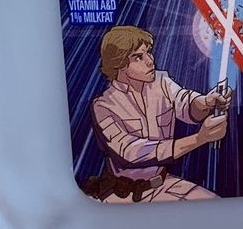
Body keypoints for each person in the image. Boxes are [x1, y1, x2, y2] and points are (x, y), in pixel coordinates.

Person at [86, 25, 232, 202]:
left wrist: (206, 102)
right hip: (121, 196)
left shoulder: (161, 82)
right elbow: (130, 153)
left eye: (148, 52)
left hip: (162, 185)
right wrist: (199, 139)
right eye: (138, 57)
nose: (150, 61)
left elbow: (185, 102)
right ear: (119, 64)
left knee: (214, 205)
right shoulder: (103, 105)